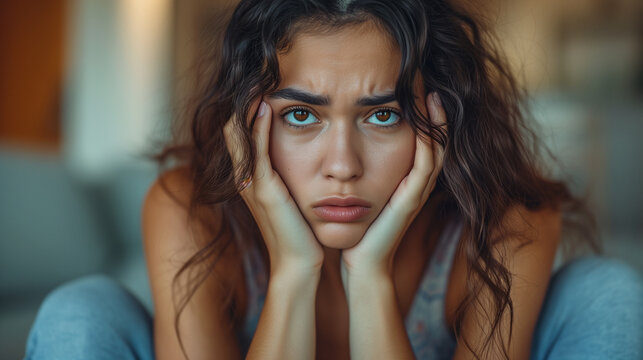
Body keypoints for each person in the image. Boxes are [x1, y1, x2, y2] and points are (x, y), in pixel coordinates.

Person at [24, 0, 642, 359]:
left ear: (441, 117)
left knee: (605, 288)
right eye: (301, 115)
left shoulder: (507, 220)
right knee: (81, 312)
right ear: (247, 122)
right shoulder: (189, 208)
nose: (342, 164)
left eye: (382, 114)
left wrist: (368, 277)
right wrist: (295, 269)